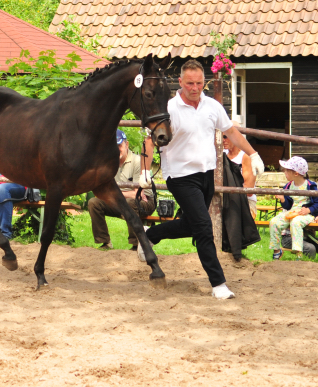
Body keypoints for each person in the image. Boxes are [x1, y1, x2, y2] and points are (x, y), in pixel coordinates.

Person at [139, 59, 265, 300]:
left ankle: (148, 236)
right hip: (179, 175)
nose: (195, 88)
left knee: (191, 225)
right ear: (180, 82)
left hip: (206, 174)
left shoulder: (212, 106)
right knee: (204, 228)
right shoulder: (169, 108)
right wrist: (145, 171)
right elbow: (149, 139)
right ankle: (218, 284)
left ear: (203, 82)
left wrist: (253, 153)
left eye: (199, 83)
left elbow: (230, 131)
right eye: (189, 84)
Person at [88, 130, 156, 250]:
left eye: (119, 145)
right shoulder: (109, 163)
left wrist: (113, 194)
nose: (116, 149)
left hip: (145, 202)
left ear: (127, 144)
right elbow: (101, 191)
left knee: (130, 203)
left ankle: (136, 244)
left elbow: (138, 194)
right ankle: (105, 242)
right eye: (113, 146)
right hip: (120, 201)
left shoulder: (137, 161)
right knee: (94, 203)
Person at [270, 156, 318, 260]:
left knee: (295, 222)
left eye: (287, 170)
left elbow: (317, 203)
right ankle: (277, 251)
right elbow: (288, 205)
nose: (284, 172)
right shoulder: (288, 186)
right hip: (292, 212)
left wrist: (309, 210)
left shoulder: (310, 185)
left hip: (305, 214)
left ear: (296, 173)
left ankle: (299, 254)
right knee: (274, 222)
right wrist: (283, 199)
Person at [223, 132, 257, 217]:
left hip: (245, 201)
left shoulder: (246, 157)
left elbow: (248, 190)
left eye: (225, 137)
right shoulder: (221, 155)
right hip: (225, 199)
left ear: (236, 137)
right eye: (221, 137)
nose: (223, 140)